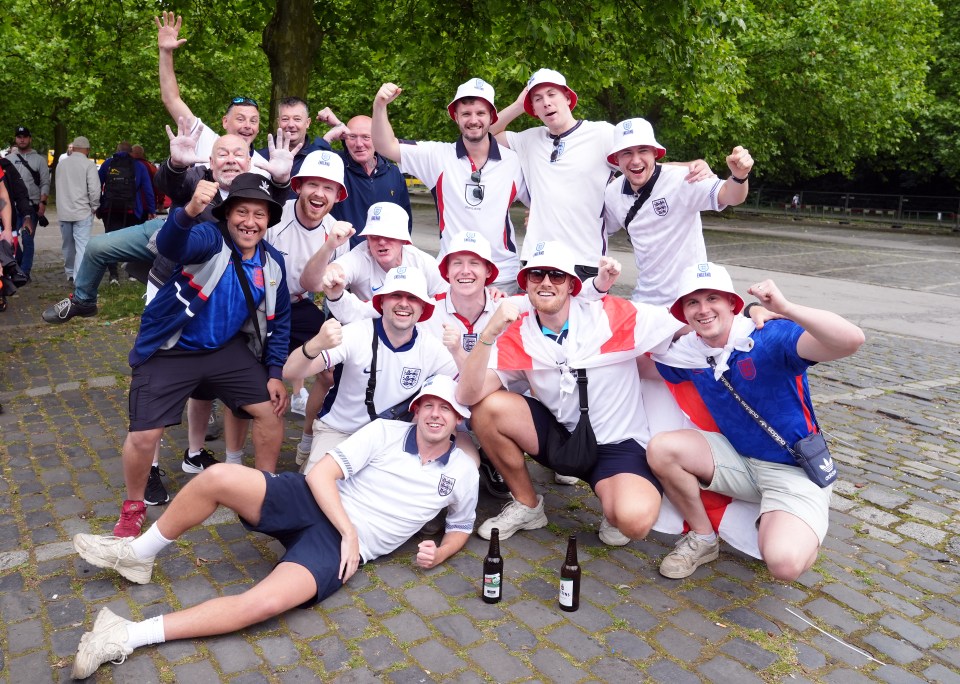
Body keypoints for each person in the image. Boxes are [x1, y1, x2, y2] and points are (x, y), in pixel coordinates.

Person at [70, 374, 478, 680]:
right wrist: (350, 531)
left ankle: (125, 634)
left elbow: (460, 525)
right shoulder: (386, 432)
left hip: (334, 546)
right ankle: (138, 555)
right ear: (417, 409)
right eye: (430, 405)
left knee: (260, 606)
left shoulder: (462, 472)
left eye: (446, 409)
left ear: (458, 419)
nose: (436, 414)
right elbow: (320, 477)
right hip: (317, 500)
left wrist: (440, 552)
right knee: (216, 479)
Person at [644, 262, 864, 581]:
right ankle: (703, 538)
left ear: (732, 304)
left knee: (784, 564)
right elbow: (637, 358)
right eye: (692, 302)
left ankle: (794, 526)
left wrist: (786, 308)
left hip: (793, 468)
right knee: (662, 449)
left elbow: (851, 340)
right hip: (739, 460)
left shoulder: (768, 337)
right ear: (683, 313)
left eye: (712, 299)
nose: (703, 309)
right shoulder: (689, 354)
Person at [456, 241, 684, 544]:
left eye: (556, 275)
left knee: (633, 522)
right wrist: (488, 333)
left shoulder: (611, 314)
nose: (546, 282)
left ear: (572, 285)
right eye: (536, 275)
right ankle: (527, 504)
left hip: (617, 443)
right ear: (525, 284)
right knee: (487, 408)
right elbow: (468, 394)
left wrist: (758, 316)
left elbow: (683, 324)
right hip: (563, 438)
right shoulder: (518, 332)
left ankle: (613, 499)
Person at [112, 173, 292, 539]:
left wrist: (275, 372)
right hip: (171, 348)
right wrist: (190, 210)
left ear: (269, 221)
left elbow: (281, 321)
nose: (250, 222)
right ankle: (133, 507)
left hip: (223, 350)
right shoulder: (210, 238)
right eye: (242, 212)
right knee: (144, 435)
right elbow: (171, 246)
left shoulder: (272, 263)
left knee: (271, 411)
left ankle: (265, 491)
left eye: (259, 215)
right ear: (227, 214)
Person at [284, 266, 458, 473]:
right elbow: (291, 372)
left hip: (393, 436)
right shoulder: (356, 333)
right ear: (382, 302)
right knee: (315, 488)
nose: (404, 303)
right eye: (396, 295)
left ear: (423, 308)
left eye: (412, 298)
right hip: (341, 430)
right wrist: (315, 344)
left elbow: (468, 388)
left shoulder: (432, 347)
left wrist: (460, 351)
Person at [372, 79, 525, 292]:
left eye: (480, 113)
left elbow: (543, 201)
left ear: (492, 117)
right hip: (450, 275)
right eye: (466, 114)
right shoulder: (437, 156)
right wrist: (379, 106)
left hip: (501, 276)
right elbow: (384, 146)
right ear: (455, 117)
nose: (473, 120)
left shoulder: (514, 161)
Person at [603, 118, 753, 305]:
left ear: (655, 153)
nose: (635, 160)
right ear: (616, 159)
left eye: (643, 150)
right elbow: (596, 231)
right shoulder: (612, 193)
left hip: (689, 298)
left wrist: (739, 176)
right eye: (626, 153)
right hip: (644, 300)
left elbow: (730, 196)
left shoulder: (683, 179)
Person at [267, 150, 351, 416]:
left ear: (338, 195)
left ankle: (310, 432)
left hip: (298, 303)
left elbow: (320, 287)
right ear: (298, 186)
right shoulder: (274, 216)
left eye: (328, 187)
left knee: (332, 370)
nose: (319, 193)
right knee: (258, 382)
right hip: (260, 303)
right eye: (313, 184)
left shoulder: (337, 230)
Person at [155, 11, 267, 170]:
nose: (248, 125)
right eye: (241, 119)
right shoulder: (205, 140)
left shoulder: (266, 168)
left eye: (253, 121)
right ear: (225, 122)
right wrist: (165, 52)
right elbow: (171, 99)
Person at [318, 110, 412, 249]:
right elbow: (309, 165)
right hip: (342, 257)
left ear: (377, 138)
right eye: (352, 137)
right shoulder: (335, 166)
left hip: (382, 259)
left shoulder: (393, 173)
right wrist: (327, 138)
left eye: (366, 137)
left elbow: (404, 220)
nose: (359, 144)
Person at [98, 142, 157, 284]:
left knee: (110, 240)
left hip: (110, 209)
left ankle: (113, 275)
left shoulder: (108, 164)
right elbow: (147, 189)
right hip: (132, 209)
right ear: (131, 152)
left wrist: (99, 204)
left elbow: (97, 184)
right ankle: (132, 273)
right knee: (133, 240)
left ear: (117, 150)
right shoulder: (139, 166)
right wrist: (151, 209)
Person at [256, 96, 333, 199]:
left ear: (307, 123)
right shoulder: (260, 158)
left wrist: (337, 124)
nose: (291, 124)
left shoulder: (319, 159)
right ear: (278, 122)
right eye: (285, 119)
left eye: (297, 119)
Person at [54, 136, 100, 282]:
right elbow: (94, 189)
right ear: (87, 150)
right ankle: (78, 277)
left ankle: (69, 272)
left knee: (67, 245)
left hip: (64, 211)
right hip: (82, 211)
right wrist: (94, 206)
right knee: (82, 245)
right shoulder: (89, 165)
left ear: (73, 148)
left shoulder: (61, 164)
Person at [10, 125, 50, 278]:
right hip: (12, 207)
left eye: (25, 136)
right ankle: (19, 265)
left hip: (31, 206)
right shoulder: (9, 160)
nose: (22, 139)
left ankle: (25, 272)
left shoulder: (39, 160)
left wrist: (43, 202)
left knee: (27, 239)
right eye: (19, 136)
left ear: (29, 139)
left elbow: (45, 182)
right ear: (16, 139)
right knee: (11, 239)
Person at [131, 145, 164, 220]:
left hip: (128, 205)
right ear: (142, 153)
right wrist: (161, 201)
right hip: (145, 205)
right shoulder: (151, 167)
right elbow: (158, 186)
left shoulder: (126, 165)